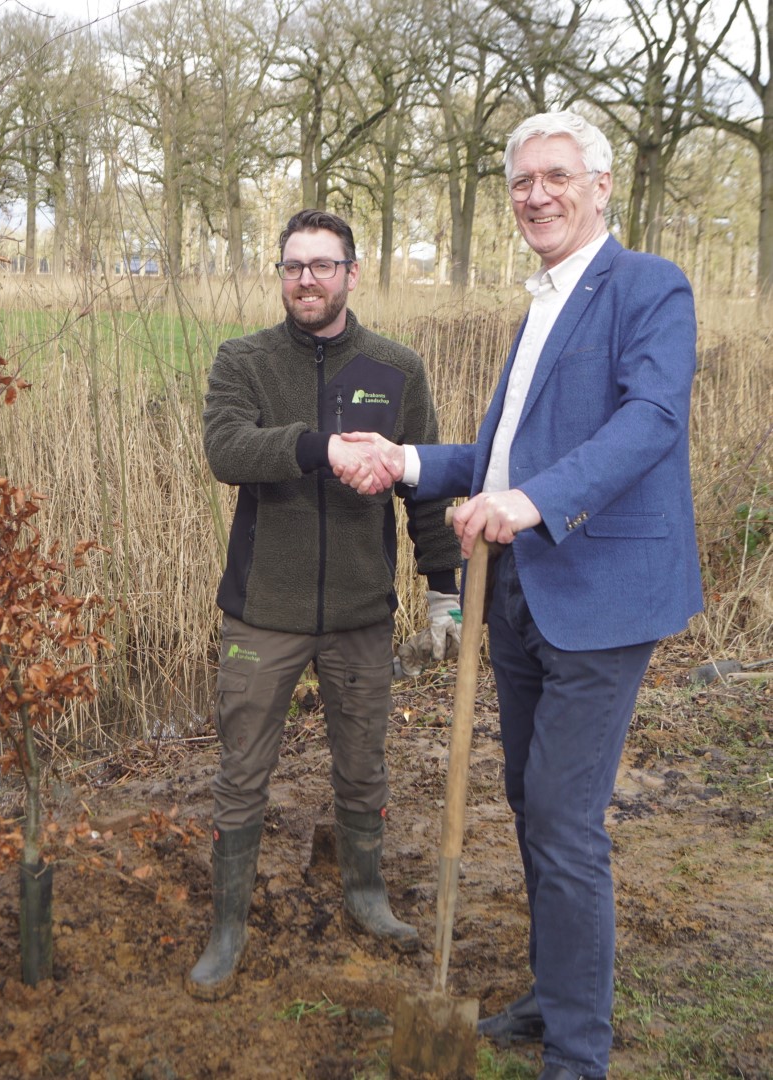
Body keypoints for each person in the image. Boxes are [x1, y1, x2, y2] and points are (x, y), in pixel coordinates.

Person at [339, 112, 703, 1080]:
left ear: (601, 184)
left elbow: (650, 423)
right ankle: (553, 993)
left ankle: (580, 1052)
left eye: (554, 176)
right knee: (525, 798)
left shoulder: (648, 287)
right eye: (519, 181)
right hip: (518, 598)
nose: (534, 195)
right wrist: (407, 459)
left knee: (561, 815)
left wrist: (533, 501)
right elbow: (498, 458)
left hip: (601, 594)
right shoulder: (537, 305)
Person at [188, 208, 463, 1001]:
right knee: (241, 769)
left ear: (351, 272)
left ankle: (366, 893)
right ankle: (228, 925)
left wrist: (442, 589)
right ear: (281, 276)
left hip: (359, 614)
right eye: (292, 266)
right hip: (260, 612)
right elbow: (226, 449)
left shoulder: (396, 369)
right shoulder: (243, 361)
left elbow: (429, 486)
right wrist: (319, 447)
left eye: (322, 264)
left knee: (363, 763)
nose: (306, 279)